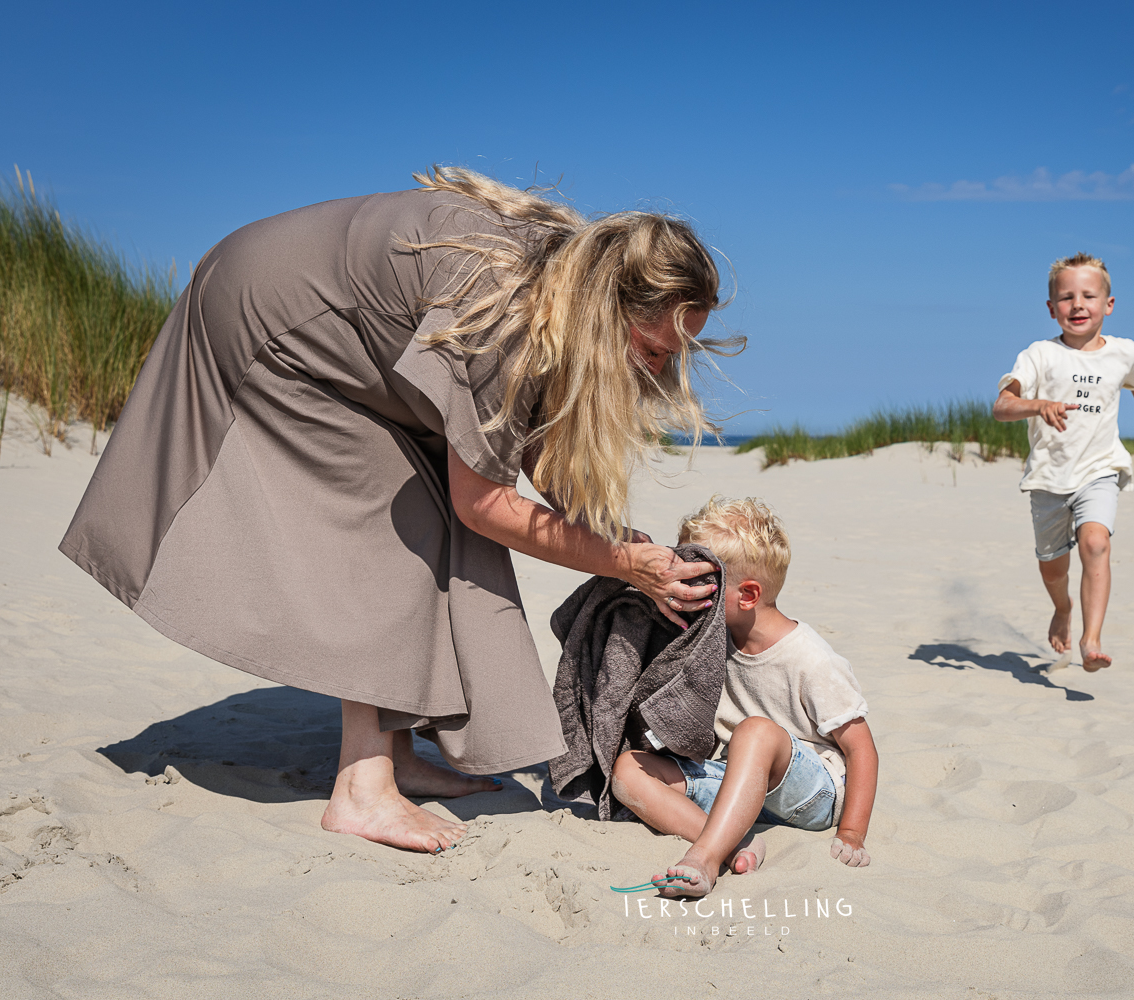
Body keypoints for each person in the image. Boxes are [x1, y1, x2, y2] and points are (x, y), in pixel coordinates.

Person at [59, 167, 741, 854]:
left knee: (431, 500)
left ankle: (401, 755)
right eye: (652, 350)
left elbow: (513, 434)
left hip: (311, 316)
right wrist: (622, 562)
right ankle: (362, 789)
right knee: (403, 519)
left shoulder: (564, 280)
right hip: (267, 322)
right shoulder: (504, 311)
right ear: (610, 310)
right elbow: (484, 504)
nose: (657, 373)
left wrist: (605, 535)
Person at [610, 497, 878, 897]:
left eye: (699, 578)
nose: (683, 586)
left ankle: (704, 857)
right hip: (741, 787)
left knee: (755, 732)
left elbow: (862, 750)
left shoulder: (812, 659)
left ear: (748, 595)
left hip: (812, 793)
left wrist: (853, 833)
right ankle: (735, 841)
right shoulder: (707, 643)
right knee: (629, 770)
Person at [994, 253, 1134, 672]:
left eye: (1089, 296)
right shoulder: (1039, 355)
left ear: (1108, 304)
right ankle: (1063, 607)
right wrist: (1037, 405)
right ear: (1051, 308)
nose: (1078, 305)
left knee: (1097, 543)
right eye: (1066, 297)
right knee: (1052, 568)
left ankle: (1091, 640)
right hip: (1048, 478)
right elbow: (1002, 405)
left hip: (1099, 469)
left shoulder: (1124, 353)